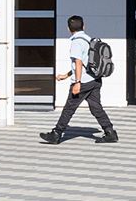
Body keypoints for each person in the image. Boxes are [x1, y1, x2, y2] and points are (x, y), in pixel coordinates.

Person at [39, 15, 116, 145]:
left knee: (69, 108)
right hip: (95, 79)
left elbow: (78, 63)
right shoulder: (88, 39)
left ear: (68, 28)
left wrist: (77, 82)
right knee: (96, 107)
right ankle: (110, 133)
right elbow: (85, 63)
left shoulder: (76, 42)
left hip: (84, 82)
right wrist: (66, 75)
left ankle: (56, 134)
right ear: (84, 26)